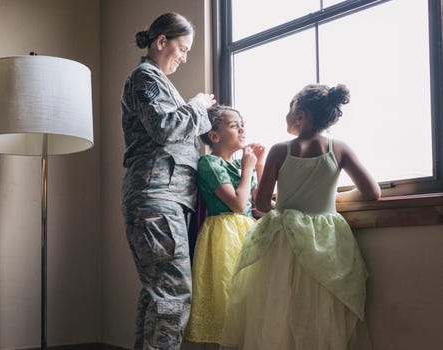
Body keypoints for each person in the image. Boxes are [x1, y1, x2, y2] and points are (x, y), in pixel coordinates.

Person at [219, 83, 381, 350]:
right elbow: (371, 192)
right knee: (321, 307)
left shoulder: (281, 149)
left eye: (289, 108)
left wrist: (282, 207)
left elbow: (261, 202)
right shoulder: (339, 148)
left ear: (300, 115)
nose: (287, 114)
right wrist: (335, 200)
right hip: (325, 240)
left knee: (278, 308)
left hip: (284, 242)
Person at [120, 12, 216, 350]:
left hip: (163, 199)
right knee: (173, 295)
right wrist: (197, 105)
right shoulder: (145, 78)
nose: (185, 57)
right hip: (155, 197)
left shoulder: (159, 82)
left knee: (158, 294)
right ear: (162, 42)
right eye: (183, 48)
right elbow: (166, 129)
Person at [185, 106, 265, 347]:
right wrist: (248, 168)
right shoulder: (210, 163)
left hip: (247, 232)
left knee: (249, 295)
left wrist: (259, 165)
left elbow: (259, 206)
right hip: (223, 235)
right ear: (215, 136)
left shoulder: (242, 167)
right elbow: (238, 204)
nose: (242, 129)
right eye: (233, 125)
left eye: (242, 124)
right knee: (226, 293)